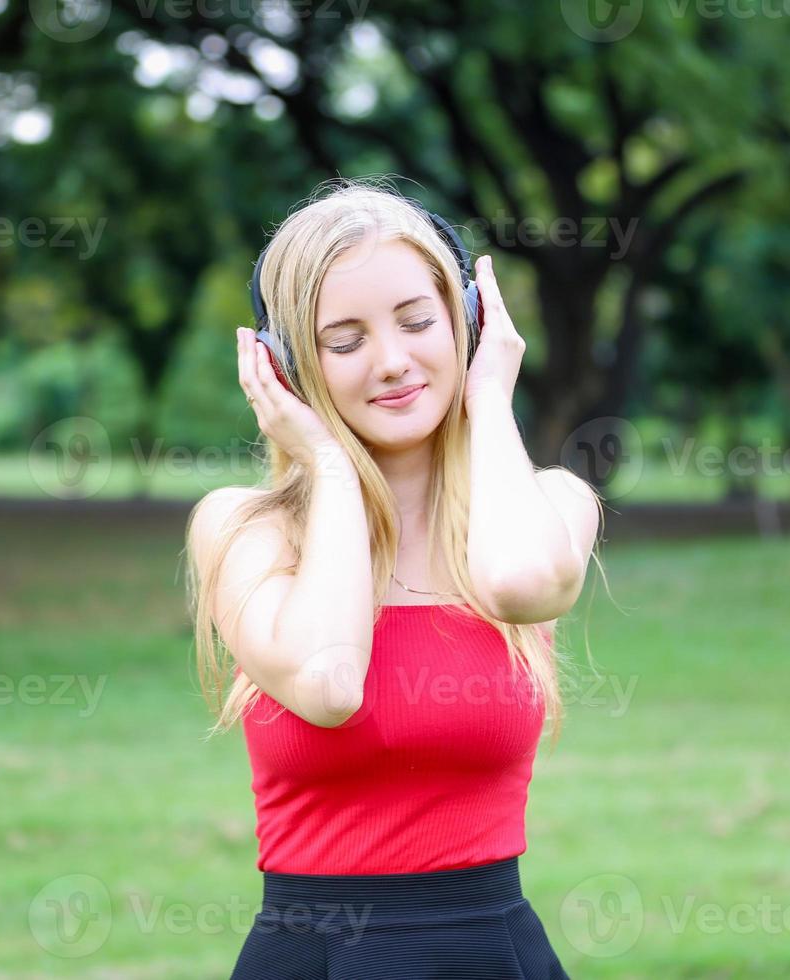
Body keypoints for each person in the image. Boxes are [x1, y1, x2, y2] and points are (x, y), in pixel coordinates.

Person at [185, 177, 605, 979]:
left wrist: (489, 394)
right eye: (344, 341)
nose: (393, 362)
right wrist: (333, 472)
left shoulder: (548, 503)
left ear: (470, 323)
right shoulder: (246, 529)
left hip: (490, 954)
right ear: (285, 364)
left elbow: (518, 584)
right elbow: (330, 682)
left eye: (419, 321)